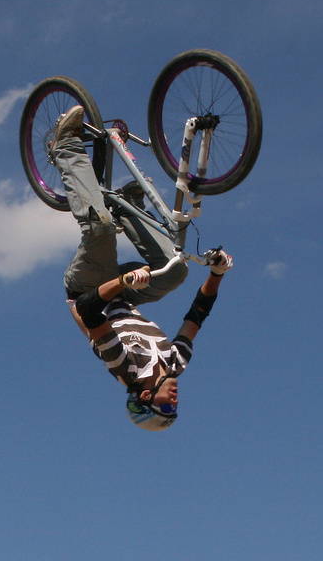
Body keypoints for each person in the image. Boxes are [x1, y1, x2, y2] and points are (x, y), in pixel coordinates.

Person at [49, 105, 231, 431]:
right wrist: (216, 275)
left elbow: (89, 311)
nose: (174, 401)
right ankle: (130, 205)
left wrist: (123, 281)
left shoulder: (124, 369)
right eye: (175, 408)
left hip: (89, 288)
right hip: (127, 289)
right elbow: (196, 316)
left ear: (144, 396)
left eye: (165, 407)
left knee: (102, 229)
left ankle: (65, 147)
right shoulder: (176, 363)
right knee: (177, 271)